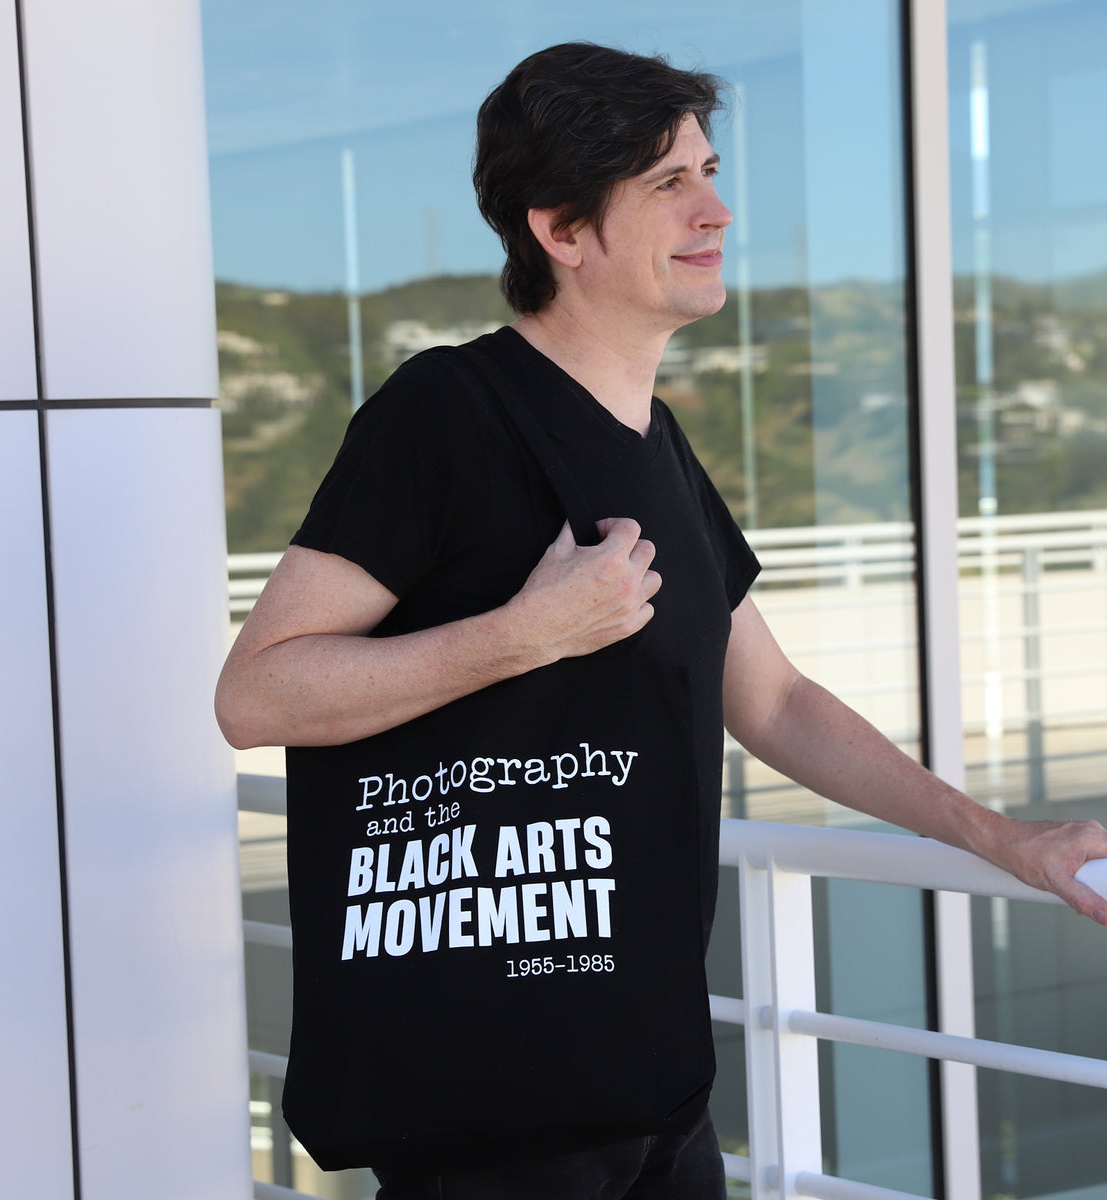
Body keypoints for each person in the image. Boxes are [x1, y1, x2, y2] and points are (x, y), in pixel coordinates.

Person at [215, 41, 1107, 1200]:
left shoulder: (657, 442)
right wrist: (525, 634)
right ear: (561, 229)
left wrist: (1002, 839)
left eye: (709, 173)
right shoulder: (444, 411)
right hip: (489, 1097)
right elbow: (257, 694)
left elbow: (774, 701)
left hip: (651, 1081)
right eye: (668, 183)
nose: (716, 211)